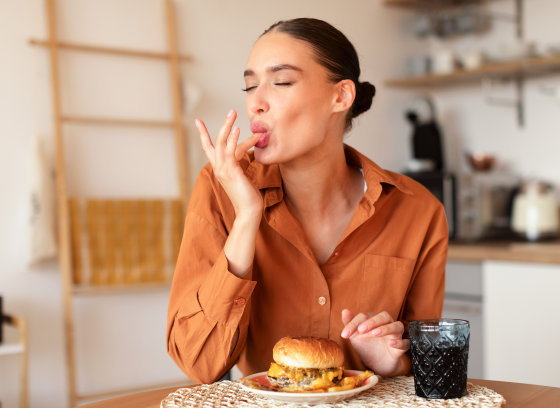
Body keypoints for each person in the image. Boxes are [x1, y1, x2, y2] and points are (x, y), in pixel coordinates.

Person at [166, 17, 448, 384]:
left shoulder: (418, 210)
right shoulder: (220, 189)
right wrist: (247, 218)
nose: (256, 103)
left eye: (281, 82)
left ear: (340, 96)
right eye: (250, 85)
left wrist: (394, 362)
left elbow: (431, 369)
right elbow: (197, 363)